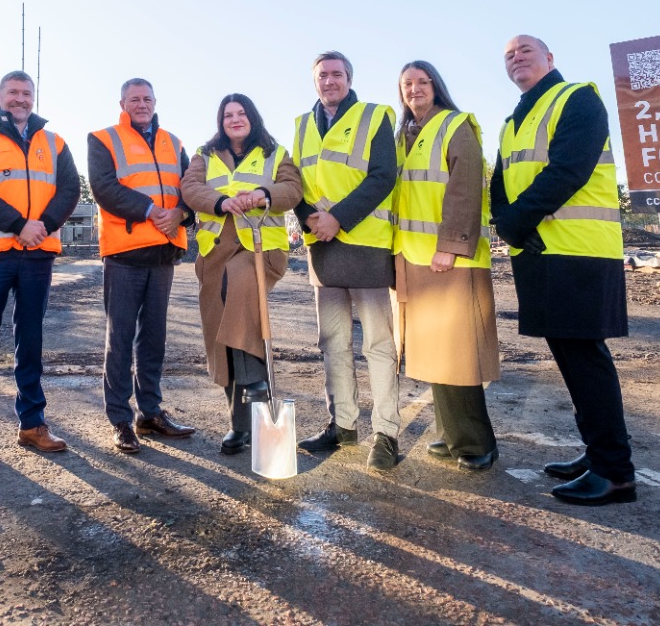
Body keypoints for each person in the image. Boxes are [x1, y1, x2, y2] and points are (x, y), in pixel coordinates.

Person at [490, 35, 636, 505]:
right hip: (541, 251)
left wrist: (515, 222)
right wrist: (505, 221)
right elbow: (500, 182)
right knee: (570, 357)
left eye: (526, 50)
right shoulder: (514, 121)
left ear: (550, 58)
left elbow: (569, 170)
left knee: (585, 357)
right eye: (509, 54)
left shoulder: (577, 98)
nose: (516, 57)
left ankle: (615, 472)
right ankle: (598, 452)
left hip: (579, 251)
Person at [0, 70, 81, 472]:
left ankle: (32, 423)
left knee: (31, 341)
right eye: (13, 92)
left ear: (33, 98)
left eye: (26, 92)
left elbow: (70, 189)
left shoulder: (54, 143)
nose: (20, 98)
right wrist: (18, 225)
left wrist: (41, 226)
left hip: (37, 254)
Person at [293, 50, 403, 470]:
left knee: (378, 343)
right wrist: (311, 218)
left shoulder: (375, 116)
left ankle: (386, 434)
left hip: (365, 243)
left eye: (337, 74)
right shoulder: (302, 125)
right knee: (333, 341)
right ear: (314, 81)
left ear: (349, 79)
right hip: (322, 245)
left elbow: (383, 176)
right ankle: (342, 425)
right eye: (322, 75)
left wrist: (337, 218)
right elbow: (295, 183)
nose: (330, 81)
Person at [391, 60, 501, 472]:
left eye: (422, 82)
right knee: (435, 352)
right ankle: (451, 434)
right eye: (407, 84)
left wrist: (450, 245)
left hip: (448, 258)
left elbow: (465, 187)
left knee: (459, 353)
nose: (415, 89)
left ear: (436, 86)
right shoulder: (404, 136)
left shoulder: (455, 125)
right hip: (414, 256)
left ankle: (475, 444)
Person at [180, 94, 303, 454]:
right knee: (222, 333)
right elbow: (190, 188)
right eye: (228, 115)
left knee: (239, 282)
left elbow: (293, 188)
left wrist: (263, 194)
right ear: (221, 121)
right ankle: (240, 424)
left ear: (252, 117)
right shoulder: (204, 155)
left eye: (241, 113)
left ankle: (256, 382)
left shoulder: (275, 153)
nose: (235, 119)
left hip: (260, 248)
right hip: (216, 251)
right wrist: (221, 202)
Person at [87, 78, 196, 454]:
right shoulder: (103, 140)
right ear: (122, 103)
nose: (141, 104)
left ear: (155, 101)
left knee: (153, 339)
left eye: (147, 98)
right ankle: (120, 419)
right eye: (134, 99)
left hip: (163, 254)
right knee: (119, 339)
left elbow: (191, 188)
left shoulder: (174, 143)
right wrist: (151, 211)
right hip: (125, 255)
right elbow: (104, 188)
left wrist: (180, 213)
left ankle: (150, 412)